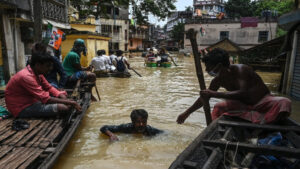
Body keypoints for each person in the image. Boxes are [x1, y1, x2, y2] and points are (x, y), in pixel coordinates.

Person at [176, 48, 291, 124]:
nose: (207, 70)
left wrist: (214, 93)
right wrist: (186, 113)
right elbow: (203, 99)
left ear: (219, 66)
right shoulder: (217, 80)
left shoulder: (241, 70)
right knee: (218, 107)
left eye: (209, 67)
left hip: (262, 102)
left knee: (284, 102)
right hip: (243, 105)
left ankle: (264, 121)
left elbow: (243, 92)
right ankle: (214, 131)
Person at [5, 43, 81, 118]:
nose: (50, 69)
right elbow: (46, 99)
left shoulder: (38, 73)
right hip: (21, 108)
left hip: (31, 102)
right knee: (63, 108)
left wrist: (63, 97)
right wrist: (70, 102)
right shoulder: (26, 76)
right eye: (47, 66)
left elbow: (49, 87)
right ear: (38, 65)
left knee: (64, 99)